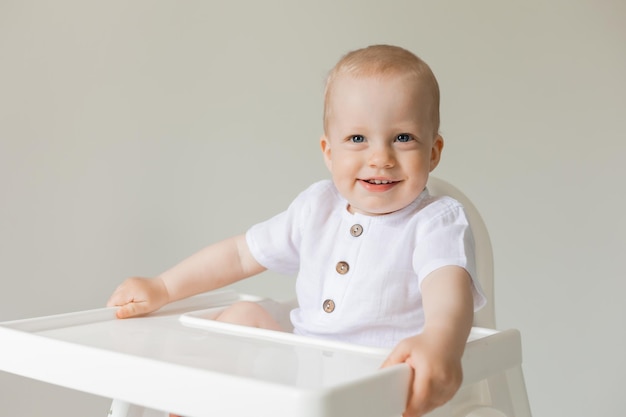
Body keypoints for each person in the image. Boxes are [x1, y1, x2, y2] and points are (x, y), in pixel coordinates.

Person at [107, 44, 485, 417]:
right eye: (357, 139)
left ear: (433, 152)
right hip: (304, 373)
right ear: (328, 151)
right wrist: (163, 288)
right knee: (241, 316)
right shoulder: (316, 207)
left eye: (403, 138)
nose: (380, 158)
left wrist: (439, 341)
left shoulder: (435, 221)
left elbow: (448, 292)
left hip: (382, 382)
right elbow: (240, 254)